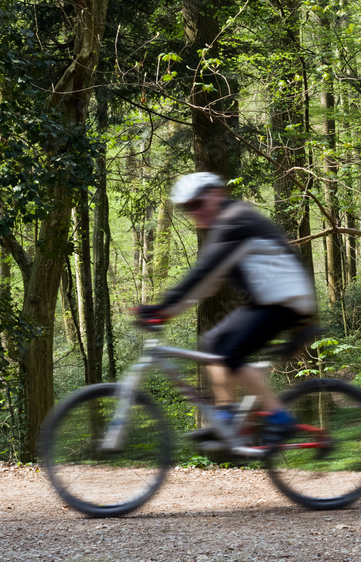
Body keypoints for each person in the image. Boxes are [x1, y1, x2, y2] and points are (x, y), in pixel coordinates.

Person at [136, 172, 317, 446]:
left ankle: (280, 418)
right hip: (268, 301)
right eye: (188, 209)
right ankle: (227, 417)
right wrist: (168, 312)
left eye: (198, 203)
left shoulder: (235, 221)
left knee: (229, 355)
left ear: (217, 194)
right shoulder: (225, 228)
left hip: (286, 301)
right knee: (211, 343)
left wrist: (162, 308)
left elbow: (204, 274)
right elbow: (208, 285)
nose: (194, 212)